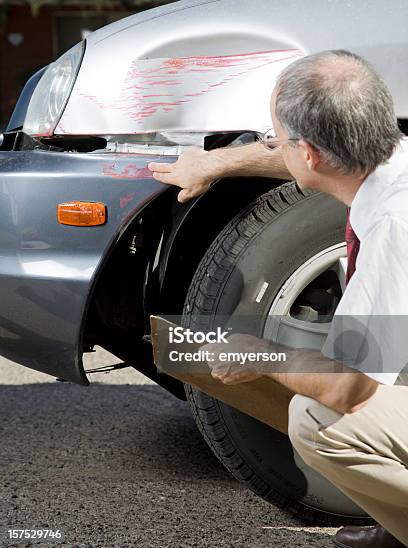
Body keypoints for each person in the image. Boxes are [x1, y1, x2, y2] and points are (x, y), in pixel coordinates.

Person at [148, 50, 408, 547]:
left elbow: (348, 392)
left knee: (320, 422)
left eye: (275, 137)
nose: (271, 144)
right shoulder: (393, 161)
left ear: (308, 152)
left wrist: (260, 354)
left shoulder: (396, 226)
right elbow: (312, 160)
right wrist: (220, 162)